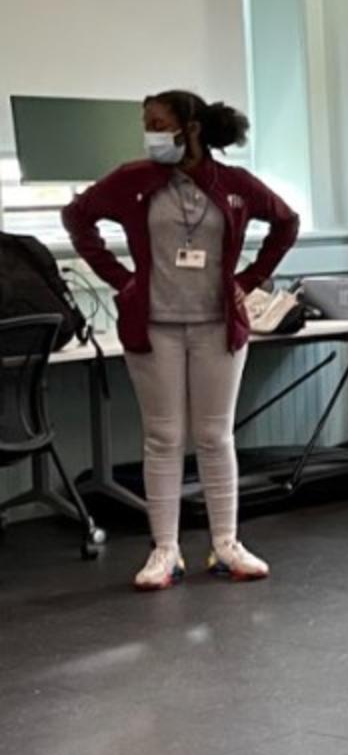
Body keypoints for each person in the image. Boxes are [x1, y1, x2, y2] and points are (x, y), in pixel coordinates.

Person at [62, 92, 300, 590]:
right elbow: (78, 217)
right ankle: (165, 551)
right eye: (145, 124)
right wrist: (120, 279)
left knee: (215, 436)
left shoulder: (232, 185)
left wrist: (250, 279)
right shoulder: (133, 179)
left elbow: (286, 222)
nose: (149, 133)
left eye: (158, 123)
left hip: (217, 325)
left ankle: (227, 544)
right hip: (155, 326)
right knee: (164, 438)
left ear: (190, 128)